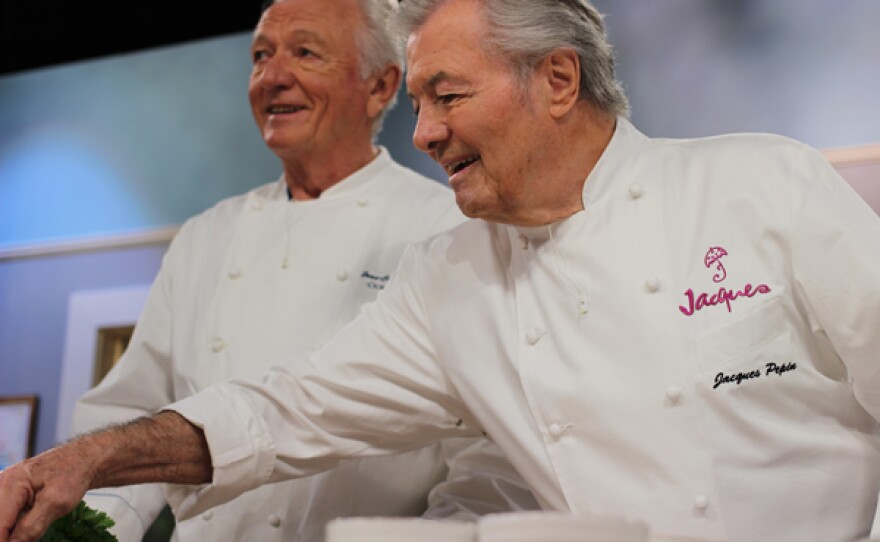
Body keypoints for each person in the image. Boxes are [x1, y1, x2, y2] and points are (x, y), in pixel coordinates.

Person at [3, 0, 880, 541]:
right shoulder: (451, 275)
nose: (423, 135)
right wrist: (97, 454)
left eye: (448, 96)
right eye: (419, 102)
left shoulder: (760, 182)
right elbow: (284, 411)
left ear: (559, 80)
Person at [60, 0, 538, 540]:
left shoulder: (446, 228)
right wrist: (95, 528)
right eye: (261, 56)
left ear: (380, 87)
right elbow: (131, 414)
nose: (273, 77)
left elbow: (487, 453)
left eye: (306, 53)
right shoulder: (207, 236)